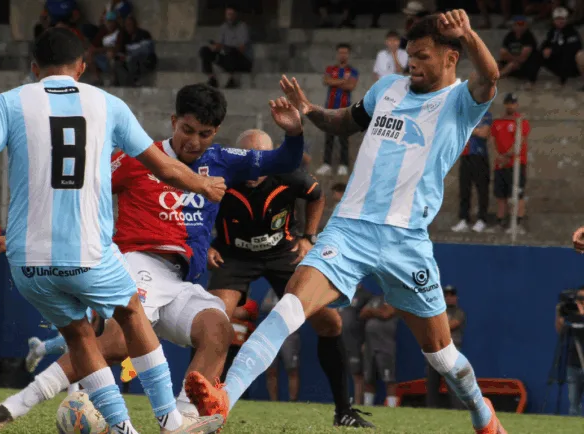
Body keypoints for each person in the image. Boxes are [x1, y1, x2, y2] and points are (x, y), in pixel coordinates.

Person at [0, 27, 227, 434]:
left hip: (27, 261)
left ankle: (124, 431)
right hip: (87, 252)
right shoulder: (108, 104)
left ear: (34, 68)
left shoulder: (9, 102)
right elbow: (162, 167)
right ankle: (170, 420)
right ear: (82, 67)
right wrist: (202, 185)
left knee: (79, 336)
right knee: (131, 313)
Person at [185, 10, 508, 434]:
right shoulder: (389, 88)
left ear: (451, 57)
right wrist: (308, 110)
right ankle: (223, 399)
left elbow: (491, 76)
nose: (412, 63)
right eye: (410, 55)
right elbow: (345, 122)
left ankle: (483, 416)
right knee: (289, 308)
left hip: (406, 240)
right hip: (350, 229)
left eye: (423, 56)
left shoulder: (460, 101)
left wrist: (468, 34)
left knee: (442, 355)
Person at [0, 82, 305, 432]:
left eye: (204, 134)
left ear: (216, 131)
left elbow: (284, 160)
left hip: (179, 281)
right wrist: (18, 235)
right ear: (174, 121)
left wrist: (295, 132)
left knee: (218, 329)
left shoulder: (222, 161)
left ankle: (181, 421)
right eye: (187, 130)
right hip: (136, 263)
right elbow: (76, 191)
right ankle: (10, 408)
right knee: (114, 344)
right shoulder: (137, 159)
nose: (193, 141)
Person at [205, 128, 373, 427]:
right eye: (248, 160)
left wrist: (309, 236)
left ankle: (343, 410)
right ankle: (201, 410)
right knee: (213, 322)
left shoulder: (289, 173)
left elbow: (317, 196)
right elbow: (194, 207)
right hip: (233, 254)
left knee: (330, 322)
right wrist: (203, 244)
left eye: (263, 160)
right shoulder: (221, 176)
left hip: (282, 251)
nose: (255, 168)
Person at [317, 43, 358, 177]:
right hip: (329, 108)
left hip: (345, 108)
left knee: (343, 138)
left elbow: (351, 86)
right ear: (337, 54)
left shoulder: (353, 71)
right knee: (329, 137)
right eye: (340, 52)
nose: (343, 55)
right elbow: (326, 80)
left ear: (349, 54)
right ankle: (326, 164)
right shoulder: (330, 68)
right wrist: (342, 81)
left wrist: (335, 81)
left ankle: (344, 165)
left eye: (345, 53)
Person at [490, 93, 530, 234]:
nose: (510, 105)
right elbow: (493, 141)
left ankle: (517, 223)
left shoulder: (521, 121)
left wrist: (506, 155)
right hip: (500, 164)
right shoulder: (498, 121)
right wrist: (498, 157)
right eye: (508, 103)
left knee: (517, 194)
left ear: (516, 104)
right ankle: (500, 222)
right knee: (501, 195)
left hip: (516, 164)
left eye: (512, 103)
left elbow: (520, 141)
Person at [451, 111, 492, 233]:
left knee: (482, 189)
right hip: (465, 155)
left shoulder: (485, 114)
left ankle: (482, 219)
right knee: (464, 190)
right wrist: (475, 130)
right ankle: (464, 219)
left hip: (479, 155)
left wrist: (469, 130)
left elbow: (484, 133)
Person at [427, 285, 466, 409]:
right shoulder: (437, 311)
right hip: (436, 350)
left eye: (451, 295)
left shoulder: (458, 312)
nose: (448, 298)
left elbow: (450, 326)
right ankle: (430, 409)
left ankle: (457, 409)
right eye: (446, 295)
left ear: (456, 298)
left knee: (453, 382)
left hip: (451, 351)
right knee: (432, 382)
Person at [261, 289, 300, 403]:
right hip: (272, 335)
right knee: (271, 370)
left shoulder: (295, 291)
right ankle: (274, 401)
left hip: (290, 335)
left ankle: (293, 401)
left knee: (292, 369)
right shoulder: (272, 291)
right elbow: (264, 306)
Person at [199, 6, 252, 89]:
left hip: (241, 60)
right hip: (226, 56)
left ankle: (232, 79)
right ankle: (212, 78)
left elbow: (242, 49)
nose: (229, 17)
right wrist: (215, 47)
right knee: (204, 51)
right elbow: (219, 45)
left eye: (231, 14)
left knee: (231, 51)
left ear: (236, 15)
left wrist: (227, 48)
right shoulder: (224, 27)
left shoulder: (242, 27)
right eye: (228, 14)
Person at [337, 284, 373, 406]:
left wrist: (365, 341)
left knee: (357, 374)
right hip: (340, 339)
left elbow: (368, 320)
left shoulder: (365, 295)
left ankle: (358, 403)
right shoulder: (341, 294)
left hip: (356, 341)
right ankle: (342, 401)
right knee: (339, 372)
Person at [360, 294, 398, 407]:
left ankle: (392, 407)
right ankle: (368, 405)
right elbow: (362, 313)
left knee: (388, 378)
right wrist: (377, 311)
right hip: (370, 345)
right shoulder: (375, 299)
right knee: (368, 378)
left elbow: (386, 314)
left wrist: (371, 312)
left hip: (385, 345)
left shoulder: (397, 298)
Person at [555, 285, 584, 416]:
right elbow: (561, 331)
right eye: (579, 298)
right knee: (574, 403)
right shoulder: (572, 315)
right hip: (573, 363)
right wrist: (559, 313)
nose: (580, 301)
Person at [541, 7, 584, 89]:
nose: (560, 21)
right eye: (557, 19)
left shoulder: (572, 32)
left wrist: (553, 50)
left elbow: (571, 50)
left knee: (577, 55)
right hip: (558, 61)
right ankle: (530, 79)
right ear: (553, 20)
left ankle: (564, 80)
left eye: (563, 19)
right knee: (539, 53)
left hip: (571, 65)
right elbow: (546, 43)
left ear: (567, 20)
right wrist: (545, 49)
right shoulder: (552, 31)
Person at [498, 15, 540, 89]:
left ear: (526, 26)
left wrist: (511, 58)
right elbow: (502, 54)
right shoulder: (510, 36)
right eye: (516, 24)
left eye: (521, 24)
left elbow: (523, 58)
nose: (519, 27)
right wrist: (512, 59)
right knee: (496, 63)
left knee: (512, 65)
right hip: (513, 61)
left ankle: (497, 76)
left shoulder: (529, 37)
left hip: (525, 66)